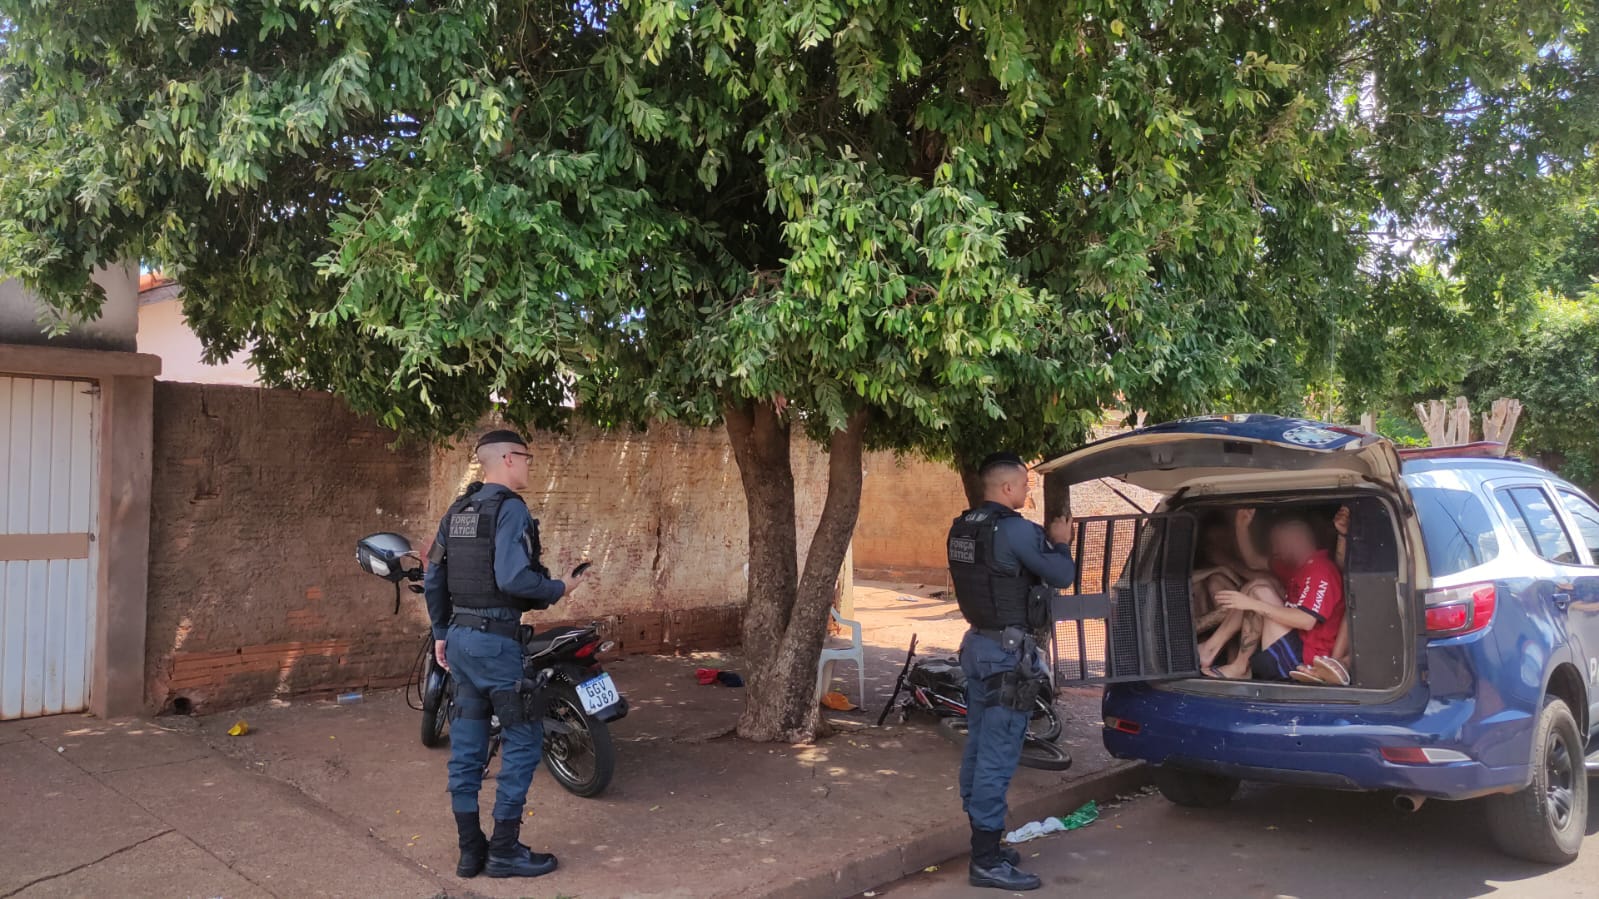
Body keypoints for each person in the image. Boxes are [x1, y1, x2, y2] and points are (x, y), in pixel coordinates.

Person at [423, 429, 586, 879]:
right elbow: (514, 579)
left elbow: (433, 575)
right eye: (528, 459)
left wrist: (441, 633)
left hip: (460, 640)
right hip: (497, 644)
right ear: (509, 459)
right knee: (524, 738)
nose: (531, 467)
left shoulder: (457, 511)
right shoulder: (510, 509)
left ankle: (469, 851)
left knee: (468, 745)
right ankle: (504, 850)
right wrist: (560, 587)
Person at [946, 452, 1077, 892]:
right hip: (1006, 656)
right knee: (998, 757)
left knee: (980, 746)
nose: (1028, 492)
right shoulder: (1015, 530)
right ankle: (985, 860)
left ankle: (986, 845)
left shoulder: (963, 527)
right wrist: (1060, 541)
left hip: (977, 646)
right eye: (1024, 485)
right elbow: (1062, 575)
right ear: (1006, 488)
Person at [1199, 508, 1344, 682]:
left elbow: (1306, 620)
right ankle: (1210, 648)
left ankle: (1240, 666)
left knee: (1259, 593)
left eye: (1276, 542)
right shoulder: (1298, 569)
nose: (1273, 549)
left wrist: (1252, 605)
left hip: (1305, 663)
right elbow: (1253, 561)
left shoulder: (1321, 571)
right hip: (1295, 645)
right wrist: (1241, 526)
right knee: (1258, 585)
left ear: (1293, 541)